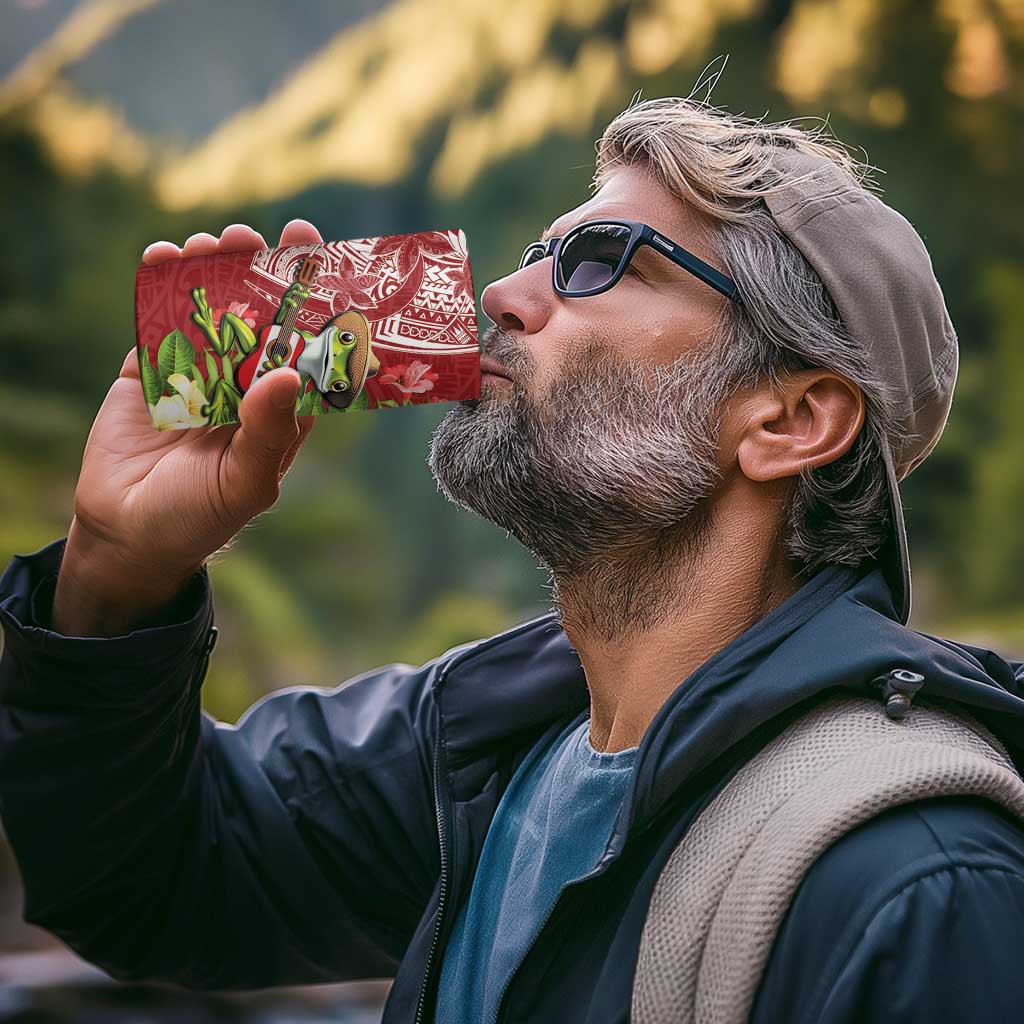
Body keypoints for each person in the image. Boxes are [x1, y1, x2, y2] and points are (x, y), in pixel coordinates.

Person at [2, 95, 1024, 1024]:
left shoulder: (918, 884)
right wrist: (115, 572)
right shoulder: (479, 748)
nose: (501, 291)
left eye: (600, 261)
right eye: (540, 252)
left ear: (791, 419)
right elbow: (149, 880)